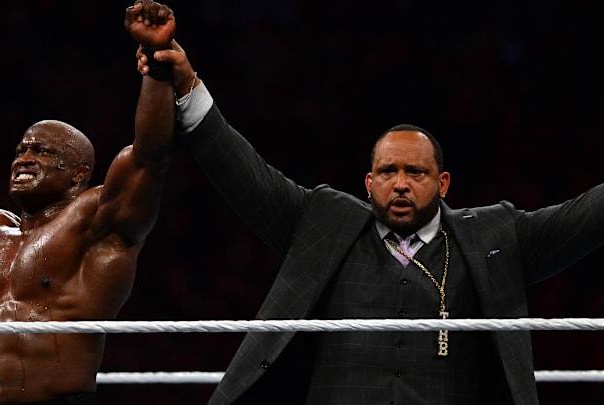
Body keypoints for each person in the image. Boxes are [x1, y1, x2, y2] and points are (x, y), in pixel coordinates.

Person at [134, 4, 604, 405]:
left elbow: (587, 218)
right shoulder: (323, 221)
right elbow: (243, 174)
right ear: (368, 181)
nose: (400, 184)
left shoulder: (494, 236)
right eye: (388, 172)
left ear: (442, 183)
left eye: (415, 173)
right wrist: (187, 82)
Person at [0, 1, 177, 403]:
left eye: (43, 151)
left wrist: (158, 66)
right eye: (21, 149)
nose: (24, 158)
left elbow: (149, 157)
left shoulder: (94, 222)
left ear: (78, 173)